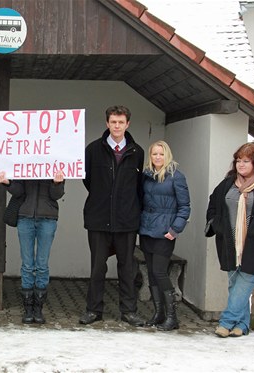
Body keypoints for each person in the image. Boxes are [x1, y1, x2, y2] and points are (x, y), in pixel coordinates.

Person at [79, 105, 146, 327]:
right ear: (107, 123)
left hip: (127, 220)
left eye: (121, 122)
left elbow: (137, 186)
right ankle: (93, 310)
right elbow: (88, 181)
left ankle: (129, 311)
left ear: (127, 124)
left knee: (127, 268)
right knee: (97, 267)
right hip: (98, 218)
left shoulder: (137, 152)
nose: (117, 126)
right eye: (113, 122)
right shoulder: (92, 149)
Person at [0, 171, 65, 324]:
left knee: (42, 265)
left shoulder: (56, 165)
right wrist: (8, 183)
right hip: (25, 217)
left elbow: (57, 195)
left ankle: (38, 308)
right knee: (27, 264)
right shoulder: (26, 163)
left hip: (47, 218)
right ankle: (28, 308)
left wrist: (57, 183)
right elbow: (19, 191)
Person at [207, 143, 254, 338]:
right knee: (234, 283)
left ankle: (226, 322)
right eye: (238, 160)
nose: (241, 165)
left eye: (246, 161)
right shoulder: (228, 183)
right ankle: (243, 325)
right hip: (230, 242)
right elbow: (213, 202)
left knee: (245, 281)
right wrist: (215, 224)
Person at [139, 140, 190, 331]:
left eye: (161, 154)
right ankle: (158, 313)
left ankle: (171, 316)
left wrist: (175, 229)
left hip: (165, 233)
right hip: (147, 230)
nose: (157, 157)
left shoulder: (176, 176)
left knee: (160, 271)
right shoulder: (146, 176)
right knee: (152, 272)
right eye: (154, 154)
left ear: (167, 155)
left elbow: (185, 206)